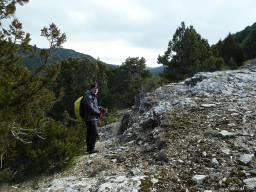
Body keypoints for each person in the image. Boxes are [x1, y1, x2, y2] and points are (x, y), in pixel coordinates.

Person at [83, 83, 107, 154]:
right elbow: (91, 108)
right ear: (91, 89)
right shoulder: (88, 97)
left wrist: (102, 109)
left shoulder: (93, 96)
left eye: (96, 88)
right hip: (90, 118)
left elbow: (95, 106)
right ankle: (91, 149)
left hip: (91, 117)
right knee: (95, 133)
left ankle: (89, 147)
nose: (95, 89)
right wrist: (99, 113)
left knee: (90, 133)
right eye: (94, 88)